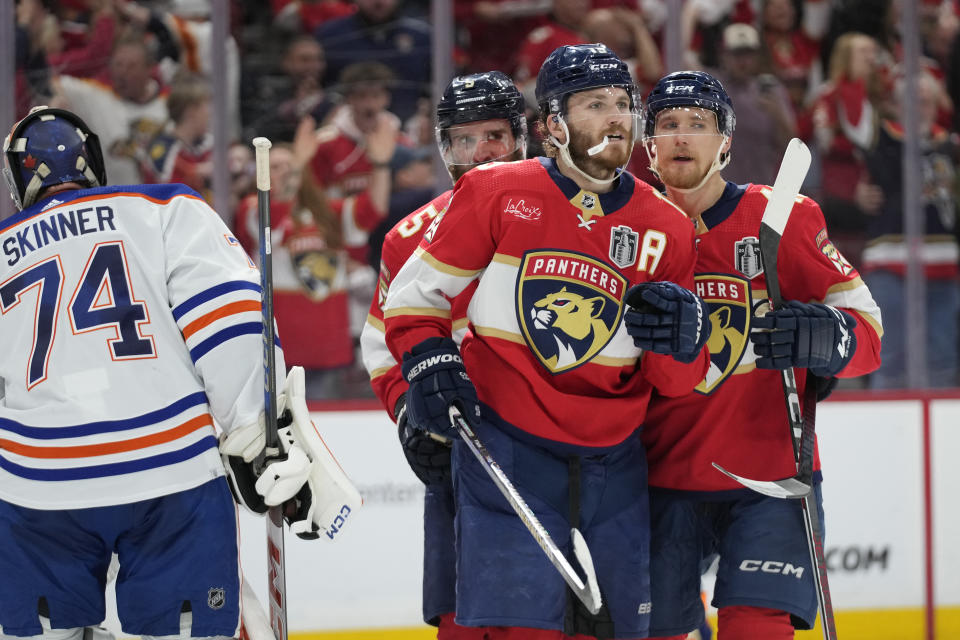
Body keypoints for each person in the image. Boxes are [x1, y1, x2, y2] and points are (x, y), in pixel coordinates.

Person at [383, 44, 712, 640]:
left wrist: (686, 344)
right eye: (594, 104)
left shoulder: (666, 226)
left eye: (622, 104)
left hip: (616, 457)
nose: (614, 117)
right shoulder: (495, 193)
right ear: (552, 124)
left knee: (625, 631)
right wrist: (427, 361)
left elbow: (675, 381)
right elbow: (411, 301)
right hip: (508, 447)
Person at [0, 106, 356, 640]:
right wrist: (257, 429)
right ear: (93, 162)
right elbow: (230, 320)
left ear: (16, 181)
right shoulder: (163, 207)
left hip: (38, 485)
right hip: (169, 472)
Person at [637, 71, 883, 640]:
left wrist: (829, 337)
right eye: (668, 125)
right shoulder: (627, 229)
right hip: (659, 476)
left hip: (772, 478)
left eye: (698, 125)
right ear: (648, 145)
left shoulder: (784, 218)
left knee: (758, 629)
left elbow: (868, 335)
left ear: (725, 141)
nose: (681, 137)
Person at [361, 70, 527, 639]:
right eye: (462, 139)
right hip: (464, 447)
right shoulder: (409, 236)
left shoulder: (572, 217)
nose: (479, 154)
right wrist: (409, 409)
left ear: (521, 137)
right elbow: (382, 341)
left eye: (494, 137)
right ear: (442, 145)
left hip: (562, 445)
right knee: (463, 620)